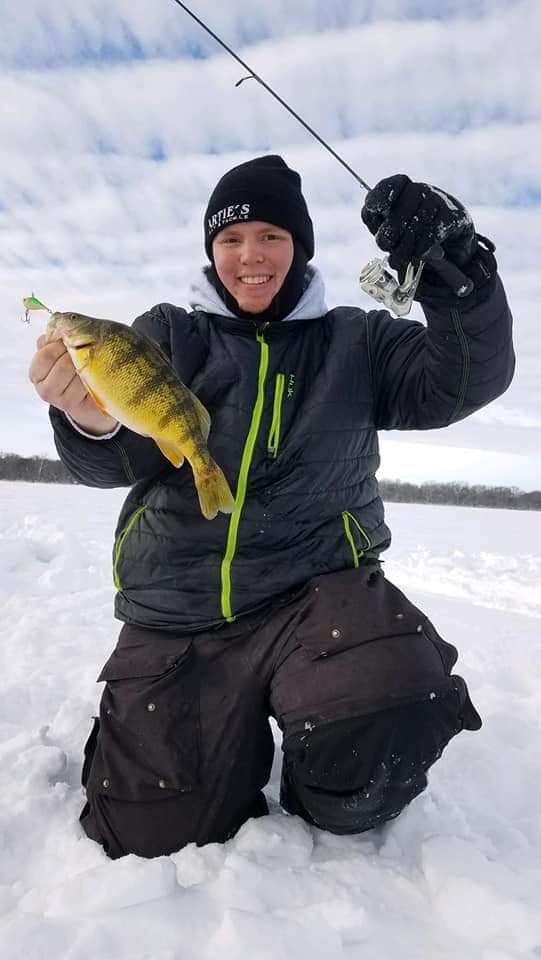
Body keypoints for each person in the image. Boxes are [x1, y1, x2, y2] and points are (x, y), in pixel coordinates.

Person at [29, 156, 514, 860]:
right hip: (180, 607)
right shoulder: (168, 334)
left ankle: (324, 796)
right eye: (230, 239)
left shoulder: (359, 342)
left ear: (299, 247)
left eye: (270, 237)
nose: (249, 256)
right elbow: (113, 462)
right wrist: (89, 421)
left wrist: (456, 271)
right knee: (149, 832)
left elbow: (464, 379)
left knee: (392, 703)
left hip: (317, 600)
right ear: (211, 251)